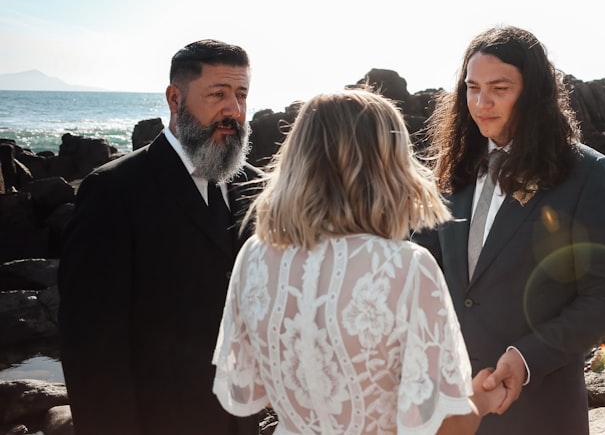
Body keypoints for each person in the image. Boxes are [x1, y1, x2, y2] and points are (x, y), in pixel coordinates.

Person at [211, 88, 505, 435]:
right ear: (388, 165)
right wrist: (485, 400)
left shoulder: (255, 256)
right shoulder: (407, 268)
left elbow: (257, 387)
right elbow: (447, 428)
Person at [413, 25, 605, 434]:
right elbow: (421, 268)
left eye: (500, 88)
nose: (482, 102)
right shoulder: (450, 169)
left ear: (532, 93)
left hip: (540, 408)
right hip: (452, 404)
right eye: (472, 87)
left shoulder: (587, 173)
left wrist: (528, 357)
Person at [58, 39, 264, 435]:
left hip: (241, 422)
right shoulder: (114, 190)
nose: (233, 111)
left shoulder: (254, 187)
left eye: (241, 95)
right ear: (175, 98)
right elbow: (90, 344)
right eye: (218, 94)